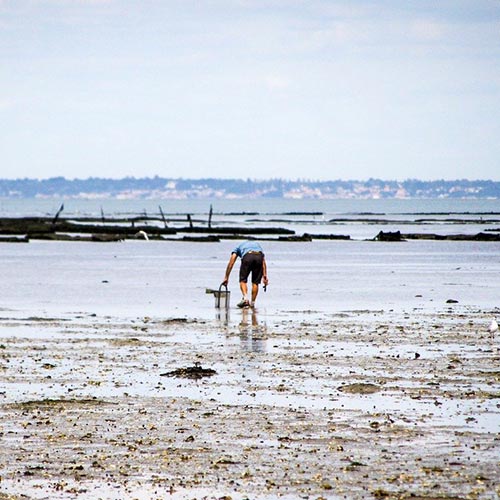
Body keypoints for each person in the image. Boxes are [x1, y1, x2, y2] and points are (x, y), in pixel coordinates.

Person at [222, 240, 269, 308]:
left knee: (243, 280)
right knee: (255, 283)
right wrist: (265, 275)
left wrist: (226, 277)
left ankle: (245, 298)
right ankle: (252, 304)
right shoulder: (257, 246)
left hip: (247, 257)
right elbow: (263, 261)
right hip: (259, 257)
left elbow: (231, 263)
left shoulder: (237, 247)